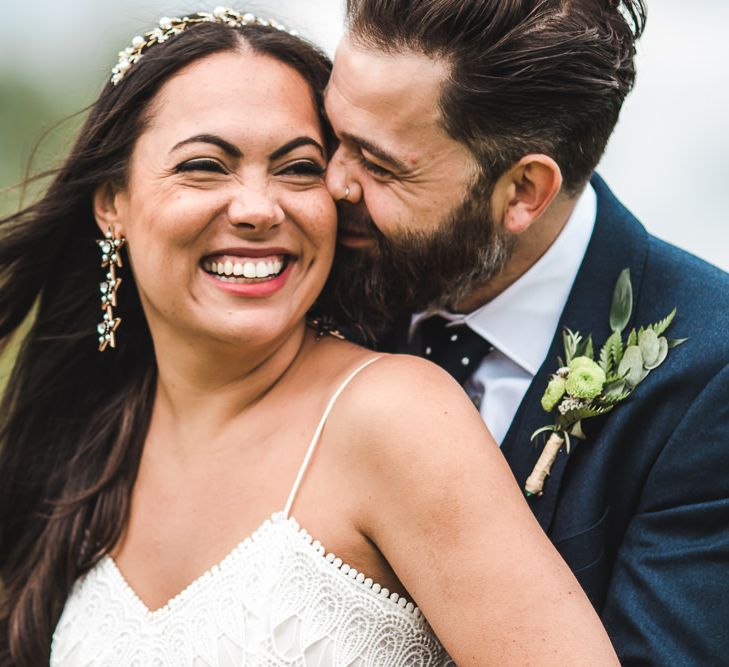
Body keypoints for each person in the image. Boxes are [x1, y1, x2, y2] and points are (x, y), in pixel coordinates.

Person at [0, 7, 621, 667]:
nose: (257, 208)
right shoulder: (84, 442)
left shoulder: (396, 418)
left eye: (297, 168)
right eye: (205, 165)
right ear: (111, 201)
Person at [321, 0, 729, 664]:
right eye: (332, 133)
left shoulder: (710, 376)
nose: (332, 184)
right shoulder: (316, 278)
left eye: (380, 165)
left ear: (522, 192)